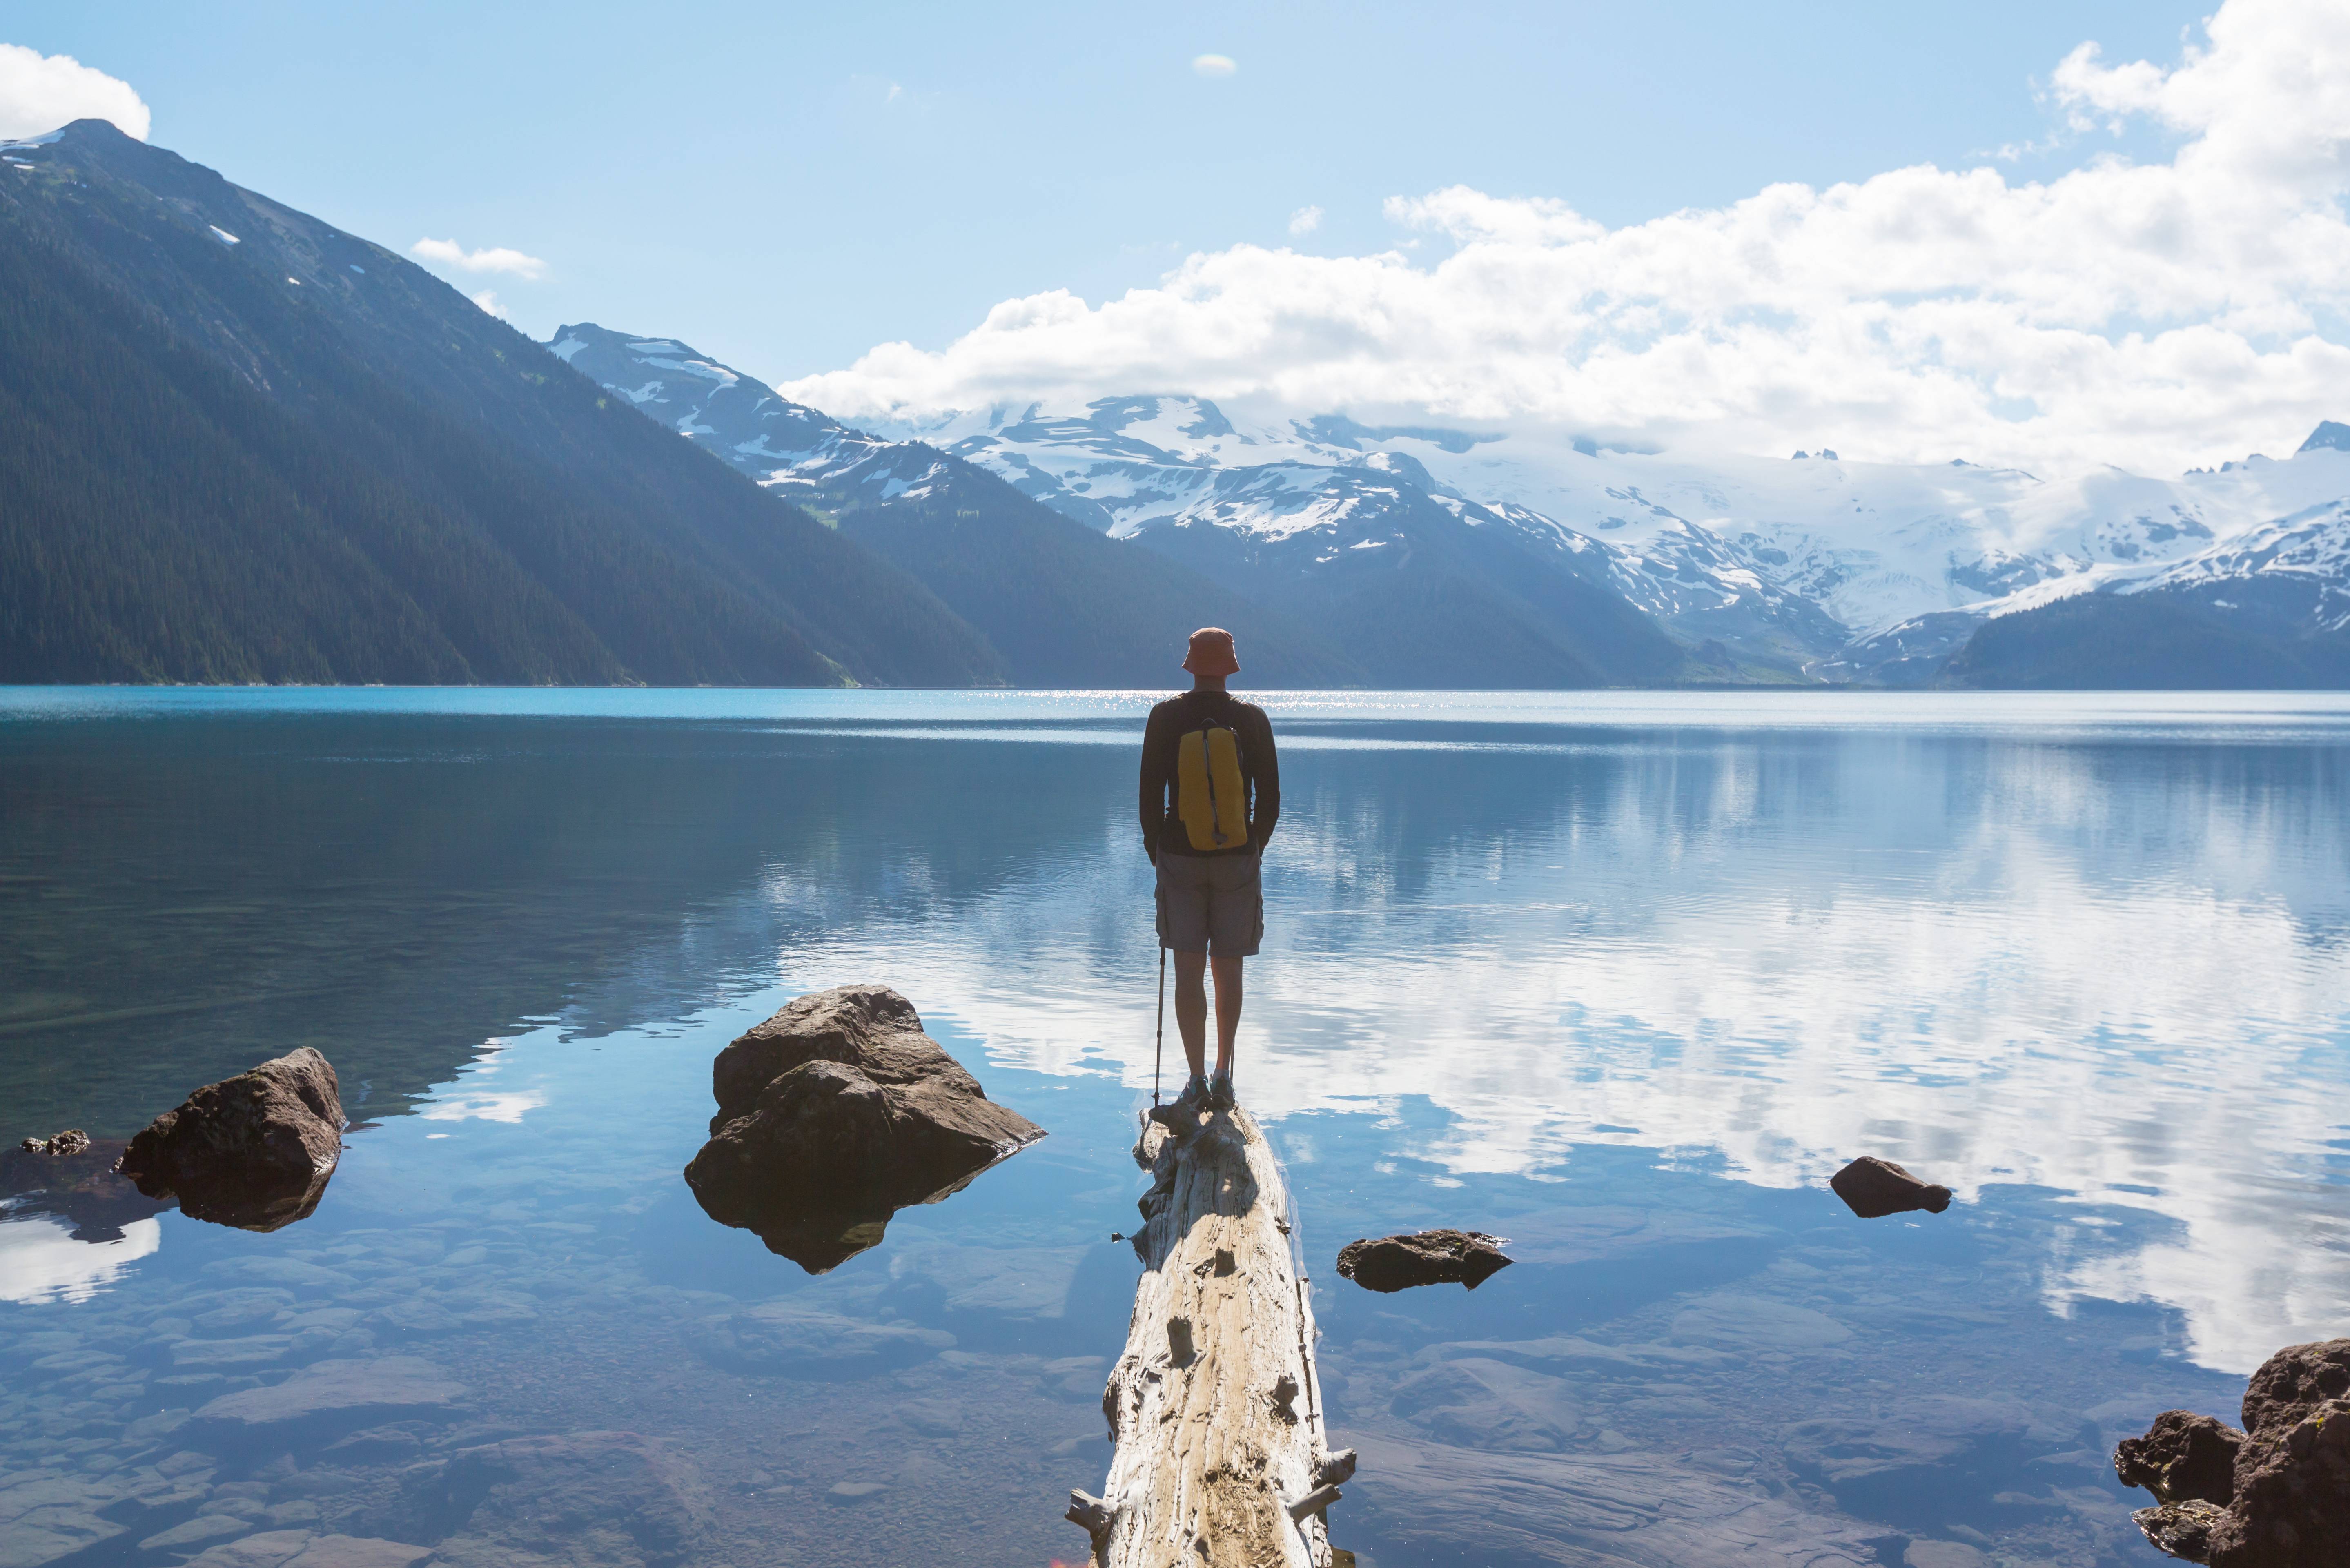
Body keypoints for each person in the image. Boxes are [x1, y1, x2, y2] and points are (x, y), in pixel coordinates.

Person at [1139, 626, 1279, 1116]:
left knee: (1188, 971)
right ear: (1230, 667)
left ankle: (1195, 1079)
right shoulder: (1252, 719)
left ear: (1191, 666)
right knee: (1228, 968)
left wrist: (1159, 852)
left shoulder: (1165, 717)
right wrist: (1251, 848)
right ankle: (1224, 1077)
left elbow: (1149, 796)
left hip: (1179, 858)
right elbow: (1270, 800)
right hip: (1237, 859)